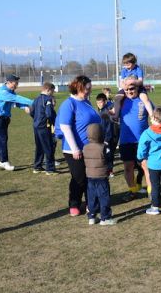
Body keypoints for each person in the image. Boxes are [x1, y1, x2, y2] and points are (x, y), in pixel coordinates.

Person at [54, 75, 101, 216]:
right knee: (79, 178)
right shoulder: (69, 104)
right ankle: (74, 203)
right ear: (78, 87)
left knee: (91, 177)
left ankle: (90, 203)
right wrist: (75, 148)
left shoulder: (87, 102)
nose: (89, 90)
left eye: (89, 88)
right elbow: (65, 127)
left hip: (90, 147)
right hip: (74, 149)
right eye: (87, 88)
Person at [0, 74, 33, 171]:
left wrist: (24, 107)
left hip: (4, 118)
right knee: (3, 139)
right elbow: (16, 99)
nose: (17, 85)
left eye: (17, 83)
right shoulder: (2, 92)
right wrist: (33, 102)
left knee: (1, 139)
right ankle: (3, 162)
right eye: (15, 83)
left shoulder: (11, 91)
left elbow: (16, 103)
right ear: (9, 82)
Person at [137, 107, 161, 215]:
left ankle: (155, 207)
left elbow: (141, 147)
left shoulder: (147, 133)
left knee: (155, 186)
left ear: (154, 118)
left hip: (153, 165)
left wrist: (141, 157)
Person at [118, 76, 150, 201]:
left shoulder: (144, 100)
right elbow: (112, 112)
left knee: (146, 166)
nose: (129, 91)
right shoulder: (120, 101)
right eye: (126, 89)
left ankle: (151, 191)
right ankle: (132, 190)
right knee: (128, 167)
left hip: (142, 141)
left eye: (132, 88)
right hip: (126, 141)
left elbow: (154, 114)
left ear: (137, 87)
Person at [83, 123, 116, 225]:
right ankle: (105, 217)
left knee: (92, 197)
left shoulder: (85, 147)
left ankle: (92, 216)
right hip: (101, 176)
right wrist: (109, 169)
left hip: (90, 176)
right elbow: (109, 159)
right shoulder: (104, 147)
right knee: (104, 196)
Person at [113, 52, 154, 120]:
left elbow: (140, 81)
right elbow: (121, 82)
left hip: (138, 87)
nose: (126, 66)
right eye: (125, 64)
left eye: (128, 64)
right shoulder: (124, 70)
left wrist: (133, 82)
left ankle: (152, 115)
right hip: (126, 88)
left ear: (134, 62)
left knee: (145, 98)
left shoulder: (138, 69)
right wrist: (124, 87)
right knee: (117, 98)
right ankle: (116, 115)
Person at [29, 82, 57, 174]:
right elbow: (49, 114)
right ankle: (50, 169)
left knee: (39, 146)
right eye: (52, 92)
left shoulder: (36, 99)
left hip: (36, 126)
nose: (52, 94)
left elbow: (31, 112)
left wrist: (37, 119)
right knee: (48, 147)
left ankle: (37, 166)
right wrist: (54, 121)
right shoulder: (48, 99)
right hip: (45, 126)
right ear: (48, 90)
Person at [96, 93, 116, 178]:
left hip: (107, 138)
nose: (100, 104)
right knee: (103, 155)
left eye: (101, 102)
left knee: (109, 155)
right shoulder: (100, 111)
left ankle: (110, 171)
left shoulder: (106, 112)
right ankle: (106, 170)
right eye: (98, 103)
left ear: (105, 102)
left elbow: (109, 127)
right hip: (101, 137)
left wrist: (107, 139)